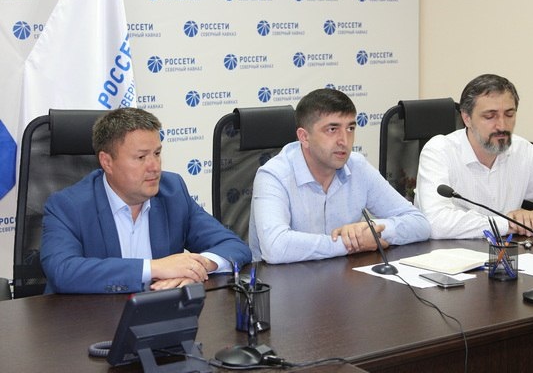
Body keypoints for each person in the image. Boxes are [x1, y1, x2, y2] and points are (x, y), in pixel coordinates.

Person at [41, 108, 251, 294]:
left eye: (157, 153)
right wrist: (154, 268)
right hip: (89, 319)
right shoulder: (68, 206)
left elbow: (233, 246)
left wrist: (197, 266)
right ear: (107, 162)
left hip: (159, 314)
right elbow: (62, 271)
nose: (155, 167)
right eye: (141, 157)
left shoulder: (173, 192)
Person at [249, 88, 431, 264]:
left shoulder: (357, 166)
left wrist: (374, 232)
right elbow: (276, 247)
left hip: (344, 276)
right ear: (304, 137)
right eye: (332, 129)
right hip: (285, 281)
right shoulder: (274, 175)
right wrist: (350, 243)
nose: (344, 141)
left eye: (350, 128)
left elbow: (420, 224)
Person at [414, 73, 533, 239]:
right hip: (449, 258)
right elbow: (436, 223)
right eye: (490, 116)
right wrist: (512, 224)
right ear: (467, 118)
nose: (502, 125)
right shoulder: (439, 151)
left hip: (505, 257)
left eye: (509, 114)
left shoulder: (522, 151)